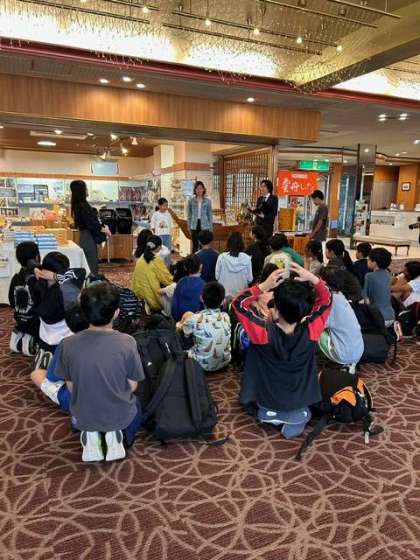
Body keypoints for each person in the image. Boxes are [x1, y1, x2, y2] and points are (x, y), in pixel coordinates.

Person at [232, 263, 332, 439]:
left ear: (276, 310)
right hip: (300, 399)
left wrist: (263, 286)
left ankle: (271, 413)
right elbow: (327, 299)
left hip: (268, 400)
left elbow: (238, 303)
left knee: (252, 349)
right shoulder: (311, 330)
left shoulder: (262, 332)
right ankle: (296, 415)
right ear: (305, 310)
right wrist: (313, 279)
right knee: (302, 407)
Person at [57, 282, 145, 462]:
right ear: (116, 312)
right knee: (137, 404)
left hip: (83, 414)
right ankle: (116, 433)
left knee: (74, 403)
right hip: (118, 413)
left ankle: (90, 433)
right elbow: (133, 385)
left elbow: (71, 387)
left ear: (84, 312)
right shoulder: (127, 342)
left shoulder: (67, 344)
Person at [28, 252, 86, 366]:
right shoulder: (68, 290)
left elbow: (29, 262)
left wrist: (36, 269)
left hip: (44, 338)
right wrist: (55, 276)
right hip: (65, 340)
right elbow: (81, 272)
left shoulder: (35, 283)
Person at [30, 302, 89, 414]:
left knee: (36, 374)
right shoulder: (116, 340)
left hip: (75, 401)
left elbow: (52, 377)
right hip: (110, 398)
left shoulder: (66, 344)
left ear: (68, 324)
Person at [177, 281, 231, 373]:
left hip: (201, 366)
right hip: (224, 362)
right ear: (222, 301)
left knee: (183, 326)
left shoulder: (194, 319)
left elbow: (183, 332)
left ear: (201, 298)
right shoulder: (226, 317)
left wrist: (179, 324)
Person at [318, 267, 364, 371]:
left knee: (312, 331)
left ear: (323, 282)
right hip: (357, 350)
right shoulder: (340, 296)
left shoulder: (331, 302)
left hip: (344, 354)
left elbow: (319, 324)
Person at [70, 179, 110, 275]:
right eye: (85, 188)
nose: (87, 190)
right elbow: (91, 223)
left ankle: (90, 280)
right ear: (81, 190)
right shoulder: (83, 205)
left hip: (85, 236)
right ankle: (91, 281)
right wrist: (103, 229)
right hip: (88, 236)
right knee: (91, 262)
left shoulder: (78, 204)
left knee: (89, 261)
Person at [8, 241, 40, 356]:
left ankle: (20, 333)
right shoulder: (38, 278)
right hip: (35, 320)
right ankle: (30, 338)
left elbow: (11, 300)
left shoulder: (16, 277)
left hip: (19, 317)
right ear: (36, 256)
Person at [132, 235, 173, 312]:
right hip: (151, 298)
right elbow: (167, 279)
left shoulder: (142, 257)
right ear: (159, 247)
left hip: (138, 294)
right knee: (172, 291)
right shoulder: (156, 260)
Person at [215, 232, 253, 299]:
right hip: (241, 297)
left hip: (224, 295)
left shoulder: (221, 257)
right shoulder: (247, 258)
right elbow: (250, 279)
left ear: (228, 243)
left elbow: (217, 277)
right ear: (241, 243)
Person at [364, 247, 395, 325]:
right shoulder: (388, 274)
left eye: (368, 259)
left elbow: (365, 298)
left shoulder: (369, 276)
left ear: (374, 263)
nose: (367, 261)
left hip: (378, 317)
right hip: (391, 315)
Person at [171, 255, 205, 321]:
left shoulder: (180, 282)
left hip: (181, 320)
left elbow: (174, 305)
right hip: (197, 321)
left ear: (185, 267)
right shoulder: (204, 285)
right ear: (201, 266)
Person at [187, 181, 213, 253]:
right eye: (197, 188)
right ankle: (193, 259)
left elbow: (210, 215)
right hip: (194, 225)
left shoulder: (208, 201)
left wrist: (211, 228)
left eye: (201, 188)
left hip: (205, 225)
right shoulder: (191, 201)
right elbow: (189, 215)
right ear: (195, 190)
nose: (199, 190)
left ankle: (203, 259)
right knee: (195, 245)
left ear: (203, 189)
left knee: (204, 245)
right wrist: (188, 227)